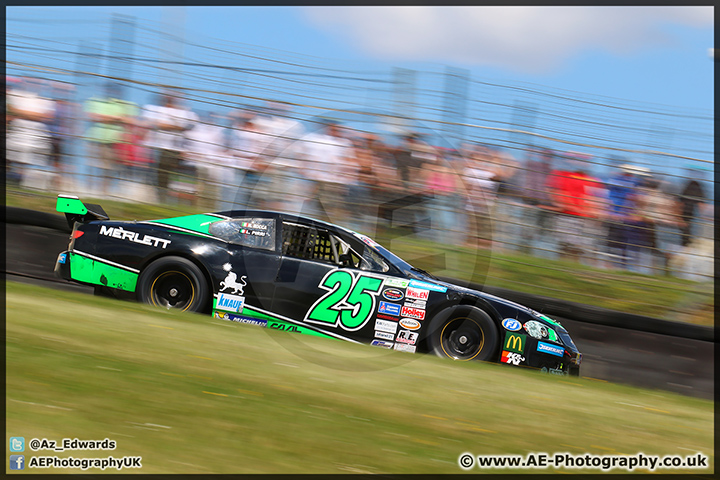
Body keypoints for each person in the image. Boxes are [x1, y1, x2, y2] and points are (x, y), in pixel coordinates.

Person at [142, 91, 198, 203]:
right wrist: (178, 127)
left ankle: (170, 200)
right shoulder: (155, 109)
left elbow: (191, 126)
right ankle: (160, 199)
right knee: (160, 176)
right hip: (159, 147)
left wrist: (171, 126)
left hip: (176, 149)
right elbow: (157, 124)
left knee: (175, 178)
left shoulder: (186, 112)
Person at [84, 82, 139, 195]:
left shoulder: (126, 104)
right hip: (95, 139)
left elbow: (132, 121)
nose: (113, 93)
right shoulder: (96, 101)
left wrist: (107, 118)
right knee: (91, 166)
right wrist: (118, 117)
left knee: (108, 168)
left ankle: (104, 192)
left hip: (114, 141)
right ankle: (88, 191)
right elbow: (92, 116)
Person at [6, 76, 56, 191]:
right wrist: (34, 115)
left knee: (30, 163)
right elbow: (11, 108)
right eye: (31, 82)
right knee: (12, 159)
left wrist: (21, 113)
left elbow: (47, 116)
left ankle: (22, 186)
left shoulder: (45, 99)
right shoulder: (15, 94)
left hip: (36, 137)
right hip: (17, 134)